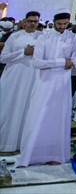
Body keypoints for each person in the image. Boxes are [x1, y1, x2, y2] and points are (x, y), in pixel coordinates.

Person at [17, 12, 76, 167]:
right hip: (44, 83)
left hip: (62, 85)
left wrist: (53, 63)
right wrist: (61, 62)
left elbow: (75, 62)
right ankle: (33, 154)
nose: (62, 27)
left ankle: (55, 154)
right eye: (59, 24)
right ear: (54, 22)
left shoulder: (73, 38)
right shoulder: (44, 38)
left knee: (58, 118)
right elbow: (37, 63)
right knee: (39, 116)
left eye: (65, 24)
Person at [0, 11, 43, 152]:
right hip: (15, 78)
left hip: (33, 77)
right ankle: (6, 143)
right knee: (11, 107)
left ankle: (23, 144)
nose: (32, 24)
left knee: (29, 109)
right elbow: (3, 58)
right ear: (24, 22)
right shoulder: (15, 36)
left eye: (35, 21)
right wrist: (23, 52)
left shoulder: (42, 37)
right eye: (30, 21)